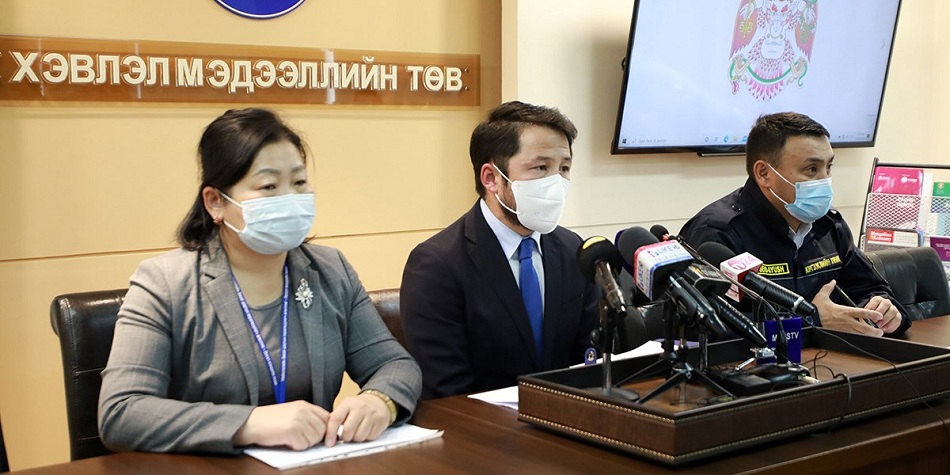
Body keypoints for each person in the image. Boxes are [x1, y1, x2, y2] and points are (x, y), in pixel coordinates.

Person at [98, 108, 422, 453]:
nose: (290, 198)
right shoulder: (164, 283)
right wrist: (248, 424)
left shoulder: (330, 270)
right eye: (269, 186)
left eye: (299, 183)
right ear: (215, 202)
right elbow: (122, 412)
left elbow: (395, 364)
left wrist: (379, 401)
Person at [400, 101, 599, 399]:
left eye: (564, 169)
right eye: (541, 168)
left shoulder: (575, 251)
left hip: (567, 417)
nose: (557, 183)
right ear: (491, 178)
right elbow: (446, 390)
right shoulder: (437, 264)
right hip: (478, 424)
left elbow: (589, 362)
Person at [679, 112, 910, 337]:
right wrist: (811, 321)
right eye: (812, 169)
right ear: (764, 173)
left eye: (828, 167)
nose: (825, 180)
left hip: (832, 357)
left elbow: (870, 289)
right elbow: (700, 325)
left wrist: (884, 309)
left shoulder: (829, 226)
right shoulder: (717, 232)